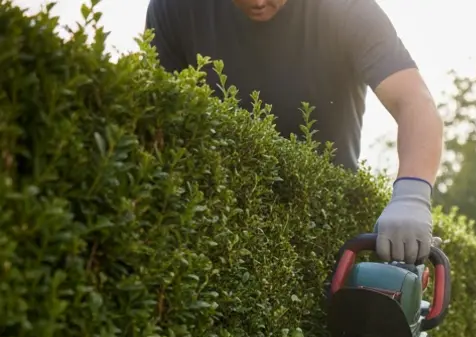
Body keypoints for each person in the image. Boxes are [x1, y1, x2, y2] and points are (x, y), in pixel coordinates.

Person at [144, 0, 445, 264]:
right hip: (213, 225)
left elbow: (414, 101)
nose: (258, 2)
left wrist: (411, 194)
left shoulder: (346, 9)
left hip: (323, 230)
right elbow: (159, 121)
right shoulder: (175, 8)